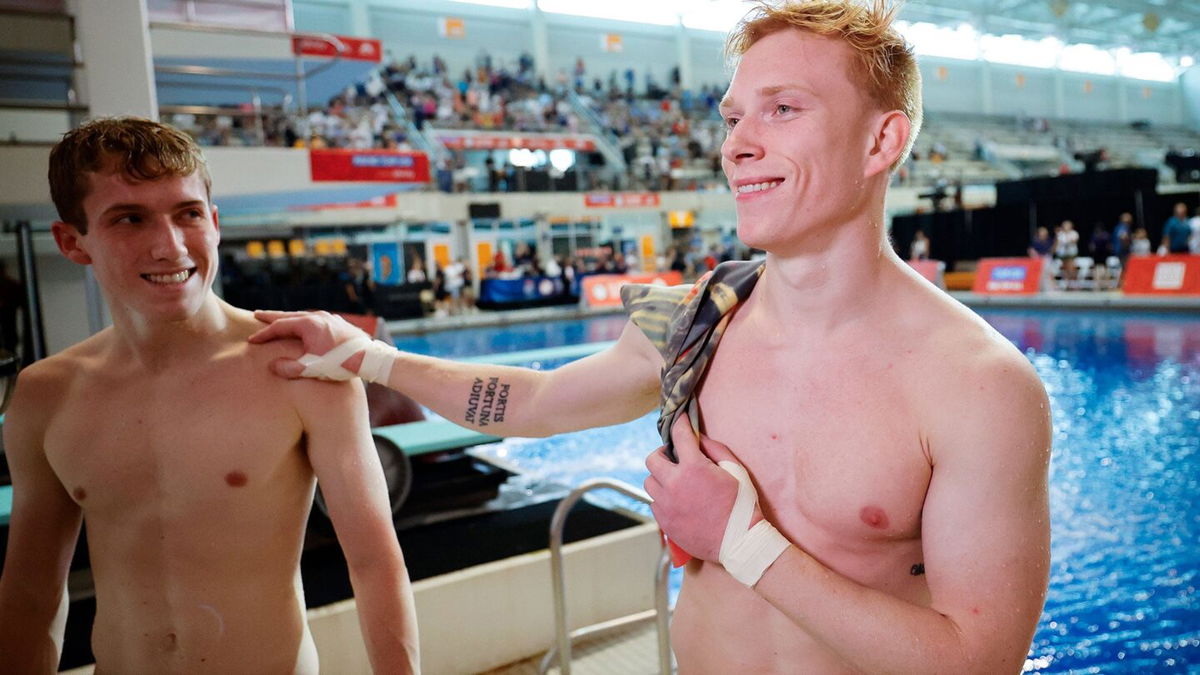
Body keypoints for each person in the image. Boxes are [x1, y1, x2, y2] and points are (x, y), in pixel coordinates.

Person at [250, 2, 1051, 672]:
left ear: (883, 141)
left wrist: (744, 543)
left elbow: (978, 658)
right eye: (735, 115)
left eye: (783, 108)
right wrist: (372, 358)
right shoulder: (698, 319)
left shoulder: (977, 385)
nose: (737, 143)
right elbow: (536, 401)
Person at [0, 118, 419, 673]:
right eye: (130, 218)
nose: (169, 246)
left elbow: (373, 564)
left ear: (215, 222)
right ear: (73, 242)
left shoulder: (301, 369)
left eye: (187, 214)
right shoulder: (44, 395)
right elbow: (32, 592)